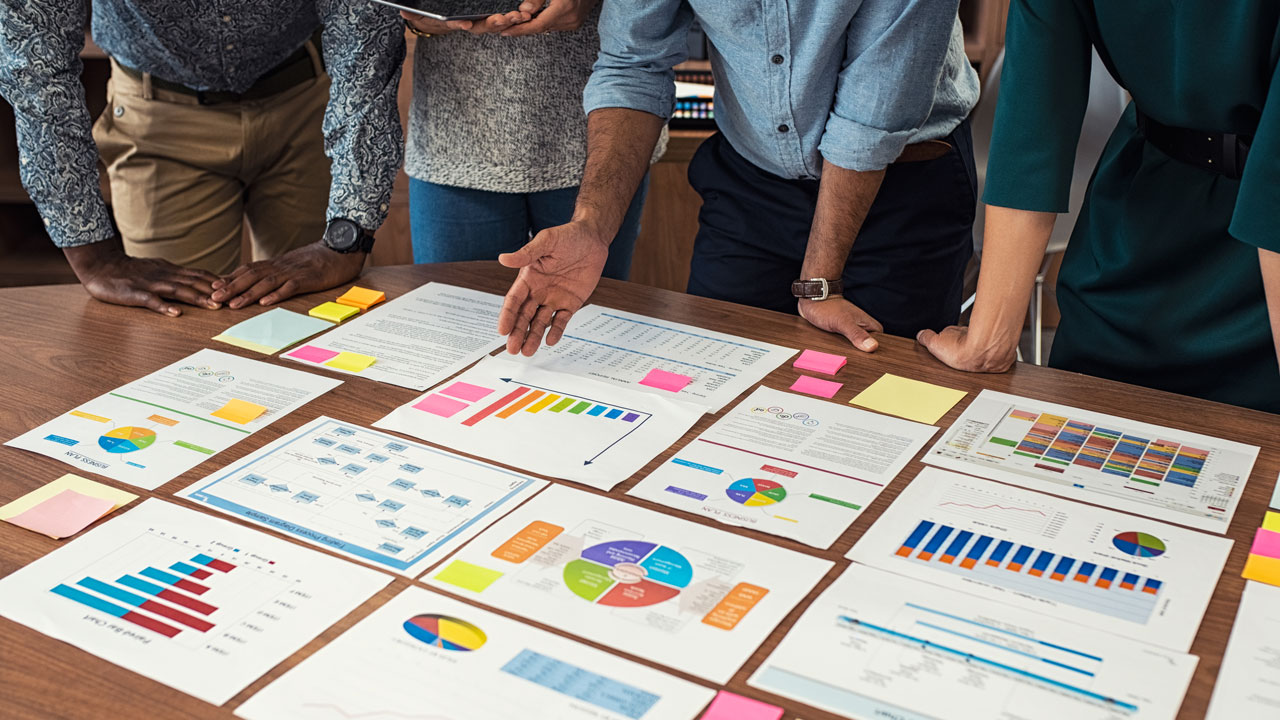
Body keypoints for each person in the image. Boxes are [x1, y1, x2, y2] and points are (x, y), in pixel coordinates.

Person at [495, 1, 979, 357]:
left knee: (876, 406)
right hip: (752, 178)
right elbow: (633, 65)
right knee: (713, 374)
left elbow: (871, 115)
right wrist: (591, 226)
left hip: (902, 182)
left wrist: (820, 284)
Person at [917, 1, 1280, 414]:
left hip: (1238, 263)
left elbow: (1035, 114)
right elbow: (1034, 114)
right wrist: (989, 339)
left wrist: (990, 337)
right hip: (1135, 237)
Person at [0, 1, 405, 317]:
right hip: (158, 118)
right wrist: (90, 254)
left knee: (320, 322)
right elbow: (37, 69)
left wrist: (348, 237)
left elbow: (364, 41)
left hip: (305, 103)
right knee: (177, 338)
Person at [400, 0, 660, 281]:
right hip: (452, 138)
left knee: (592, 318)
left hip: (603, 134)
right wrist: (419, 15)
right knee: (448, 317)